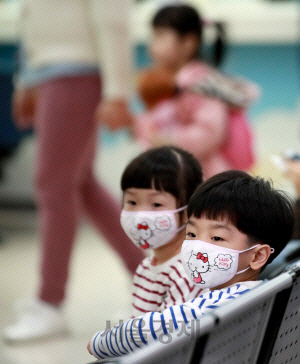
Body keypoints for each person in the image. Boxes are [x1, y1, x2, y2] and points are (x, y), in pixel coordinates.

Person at [3, 0, 145, 343]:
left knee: (53, 186)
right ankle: (149, 279)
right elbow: (36, 19)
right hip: (56, 73)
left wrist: (118, 93)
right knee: (80, 185)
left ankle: (50, 303)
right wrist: (28, 79)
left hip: (75, 74)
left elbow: (113, 17)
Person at [87, 170, 294, 359]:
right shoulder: (264, 291)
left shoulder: (211, 308)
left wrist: (98, 341)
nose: (198, 247)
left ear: (257, 256)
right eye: (192, 234)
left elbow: (115, 340)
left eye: (217, 238)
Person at [111, 4, 258, 179]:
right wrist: (134, 124)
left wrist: (170, 141)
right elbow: (160, 122)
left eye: (160, 36)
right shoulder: (172, 84)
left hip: (205, 179)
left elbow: (210, 132)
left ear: (188, 43)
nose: (152, 46)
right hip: (181, 174)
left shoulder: (199, 85)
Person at [120, 146, 204, 317]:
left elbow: (173, 338)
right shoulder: (147, 267)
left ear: (188, 210)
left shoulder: (187, 274)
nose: (140, 216)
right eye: (132, 202)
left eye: (156, 204)